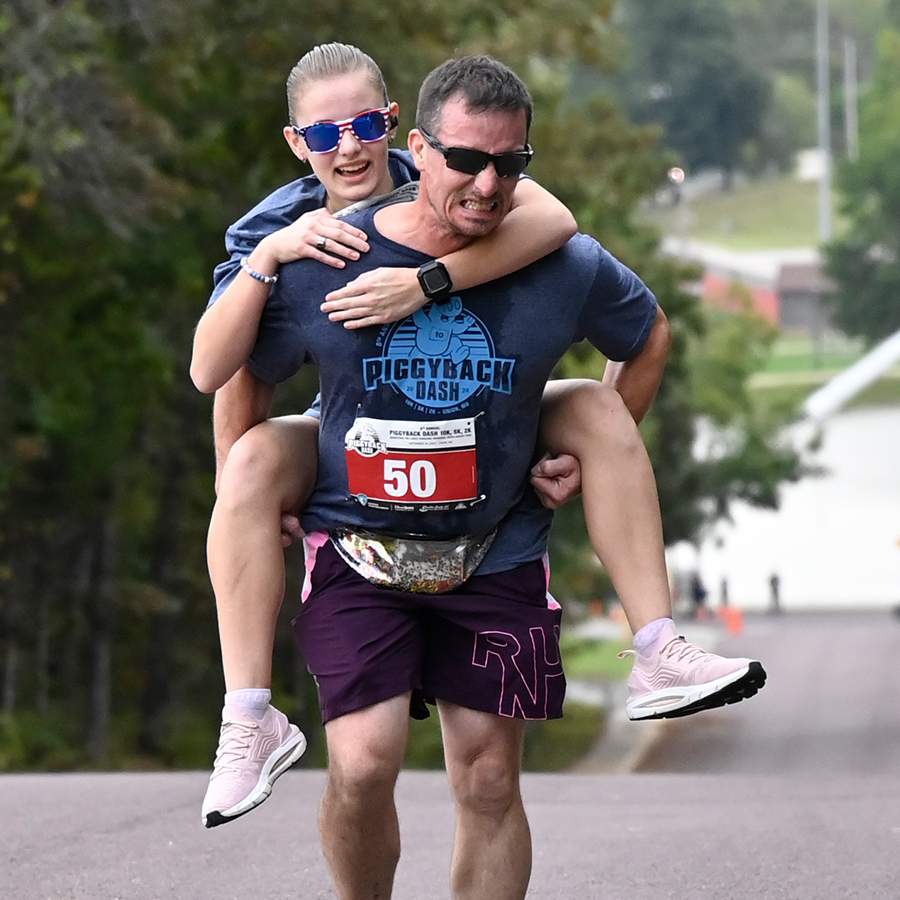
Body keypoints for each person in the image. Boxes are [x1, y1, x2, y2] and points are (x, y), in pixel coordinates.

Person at [229, 54, 767, 899]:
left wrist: (577, 459)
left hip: (496, 548)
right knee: (364, 766)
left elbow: (646, 332)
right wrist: (252, 498)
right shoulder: (311, 247)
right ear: (421, 151)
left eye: (508, 164)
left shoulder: (558, 255)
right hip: (361, 549)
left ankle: (658, 651)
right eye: (466, 161)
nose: (487, 183)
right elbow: (238, 372)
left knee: (486, 778)